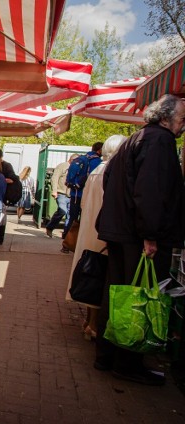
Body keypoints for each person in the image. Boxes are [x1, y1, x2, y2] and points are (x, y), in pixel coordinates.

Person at [95, 94, 185, 386]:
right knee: (139, 298)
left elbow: (110, 181)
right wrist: (150, 235)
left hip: (122, 232)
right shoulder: (159, 141)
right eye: (182, 119)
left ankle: (106, 355)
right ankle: (128, 362)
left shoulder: (135, 139)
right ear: (165, 117)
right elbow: (151, 191)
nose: (183, 125)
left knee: (118, 294)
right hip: (139, 237)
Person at [65, 135, 126, 341]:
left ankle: (89, 321)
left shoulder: (95, 171)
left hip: (90, 229)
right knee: (99, 278)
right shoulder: (112, 173)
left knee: (90, 276)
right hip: (103, 232)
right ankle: (93, 324)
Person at [62, 142, 103, 253]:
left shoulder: (81, 158)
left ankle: (66, 243)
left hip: (74, 193)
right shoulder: (97, 162)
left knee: (72, 218)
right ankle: (80, 244)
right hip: (86, 195)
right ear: (99, 150)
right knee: (87, 220)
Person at [0, 148, 18, 245]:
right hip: (1, 197)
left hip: (1, 197)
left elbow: (13, 179)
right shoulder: (4, 166)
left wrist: (0, 180)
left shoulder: (6, 166)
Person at [45, 154, 79, 238]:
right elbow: (55, 177)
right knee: (62, 211)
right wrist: (54, 191)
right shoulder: (62, 166)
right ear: (71, 160)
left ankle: (66, 234)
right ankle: (50, 227)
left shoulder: (76, 168)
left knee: (70, 215)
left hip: (71, 194)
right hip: (62, 193)